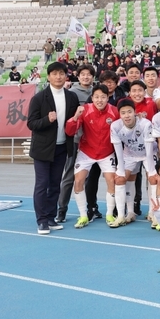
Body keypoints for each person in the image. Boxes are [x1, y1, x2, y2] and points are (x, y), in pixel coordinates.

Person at [27, 61, 80, 235]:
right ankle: (42, 220)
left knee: (55, 185)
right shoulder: (39, 98)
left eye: (61, 73)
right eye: (55, 74)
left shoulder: (71, 97)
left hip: (62, 147)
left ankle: (51, 217)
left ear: (66, 76)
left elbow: (72, 122)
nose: (58, 77)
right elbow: (31, 123)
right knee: (42, 184)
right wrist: (47, 120)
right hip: (43, 149)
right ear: (48, 76)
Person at [65, 84, 120, 229]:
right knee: (78, 181)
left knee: (111, 181)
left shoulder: (115, 111)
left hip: (106, 153)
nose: (99, 100)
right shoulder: (85, 110)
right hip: (86, 152)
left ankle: (109, 214)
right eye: (96, 97)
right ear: (92, 98)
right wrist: (75, 117)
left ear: (108, 98)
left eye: (103, 97)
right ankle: (83, 215)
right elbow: (70, 131)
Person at [56, 64, 95, 223]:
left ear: (93, 77)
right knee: (69, 176)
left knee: (89, 178)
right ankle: (62, 209)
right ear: (78, 77)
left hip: (92, 142)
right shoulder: (71, 93)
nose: (86, 77)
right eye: (82, 74)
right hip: (75, 141)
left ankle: (90, 209)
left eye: (89, 74)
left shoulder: (97, 92)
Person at [111, 98, 158, 227]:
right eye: (123, 113)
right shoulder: (115, 126)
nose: (127, 115)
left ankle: (153, 213)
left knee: (153, 179)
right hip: (130, 154)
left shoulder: (145, 124)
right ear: (119, 114)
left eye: (129, 112)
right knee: (120, 179)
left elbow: (149, 148)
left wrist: (151, 171)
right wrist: (121, 171)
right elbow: (118, 149)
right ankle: (125, 215)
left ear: (135, 112)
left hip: (148, 153)